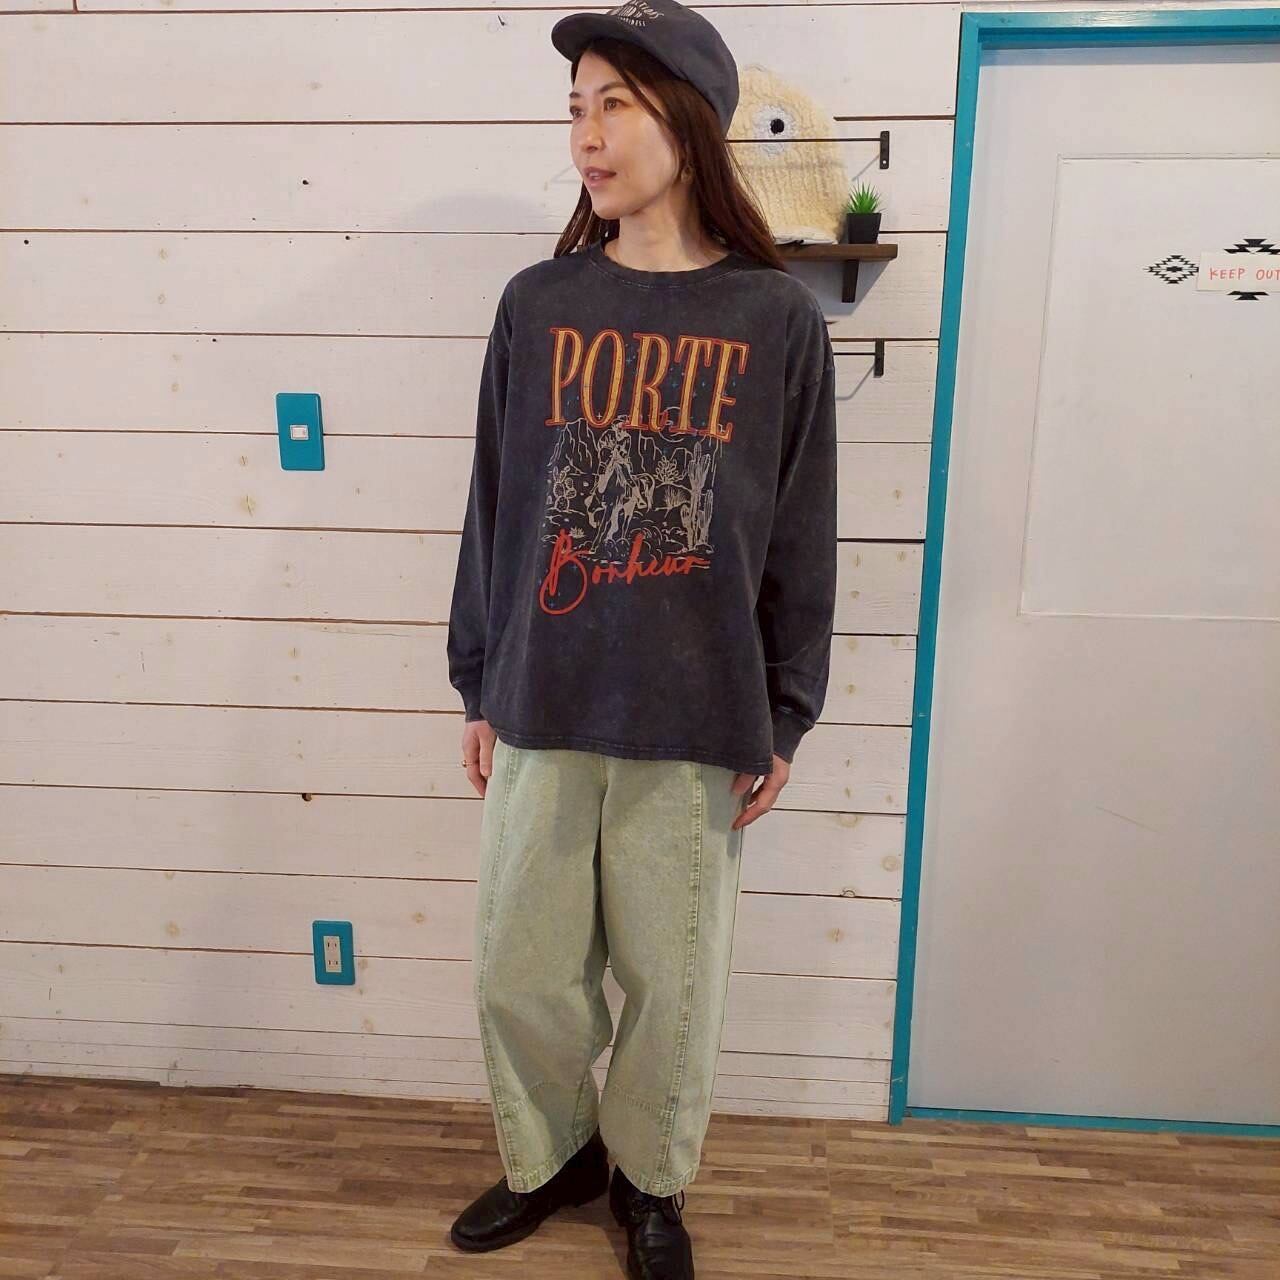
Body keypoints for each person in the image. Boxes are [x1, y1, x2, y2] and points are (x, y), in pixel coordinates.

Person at [446, 2, 837, 1276]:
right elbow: (495, 509)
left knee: (674, 983)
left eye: (613, 103)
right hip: (543, 692)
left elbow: (798, 535)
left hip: (695, 708)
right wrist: (477, 678)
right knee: (519, 967)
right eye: (575, 108)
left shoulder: (773, 321)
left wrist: (784, 712)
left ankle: (651, 1179)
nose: (586, 134)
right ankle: (554, 1154)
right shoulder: (537, 303)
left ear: (689, 120)